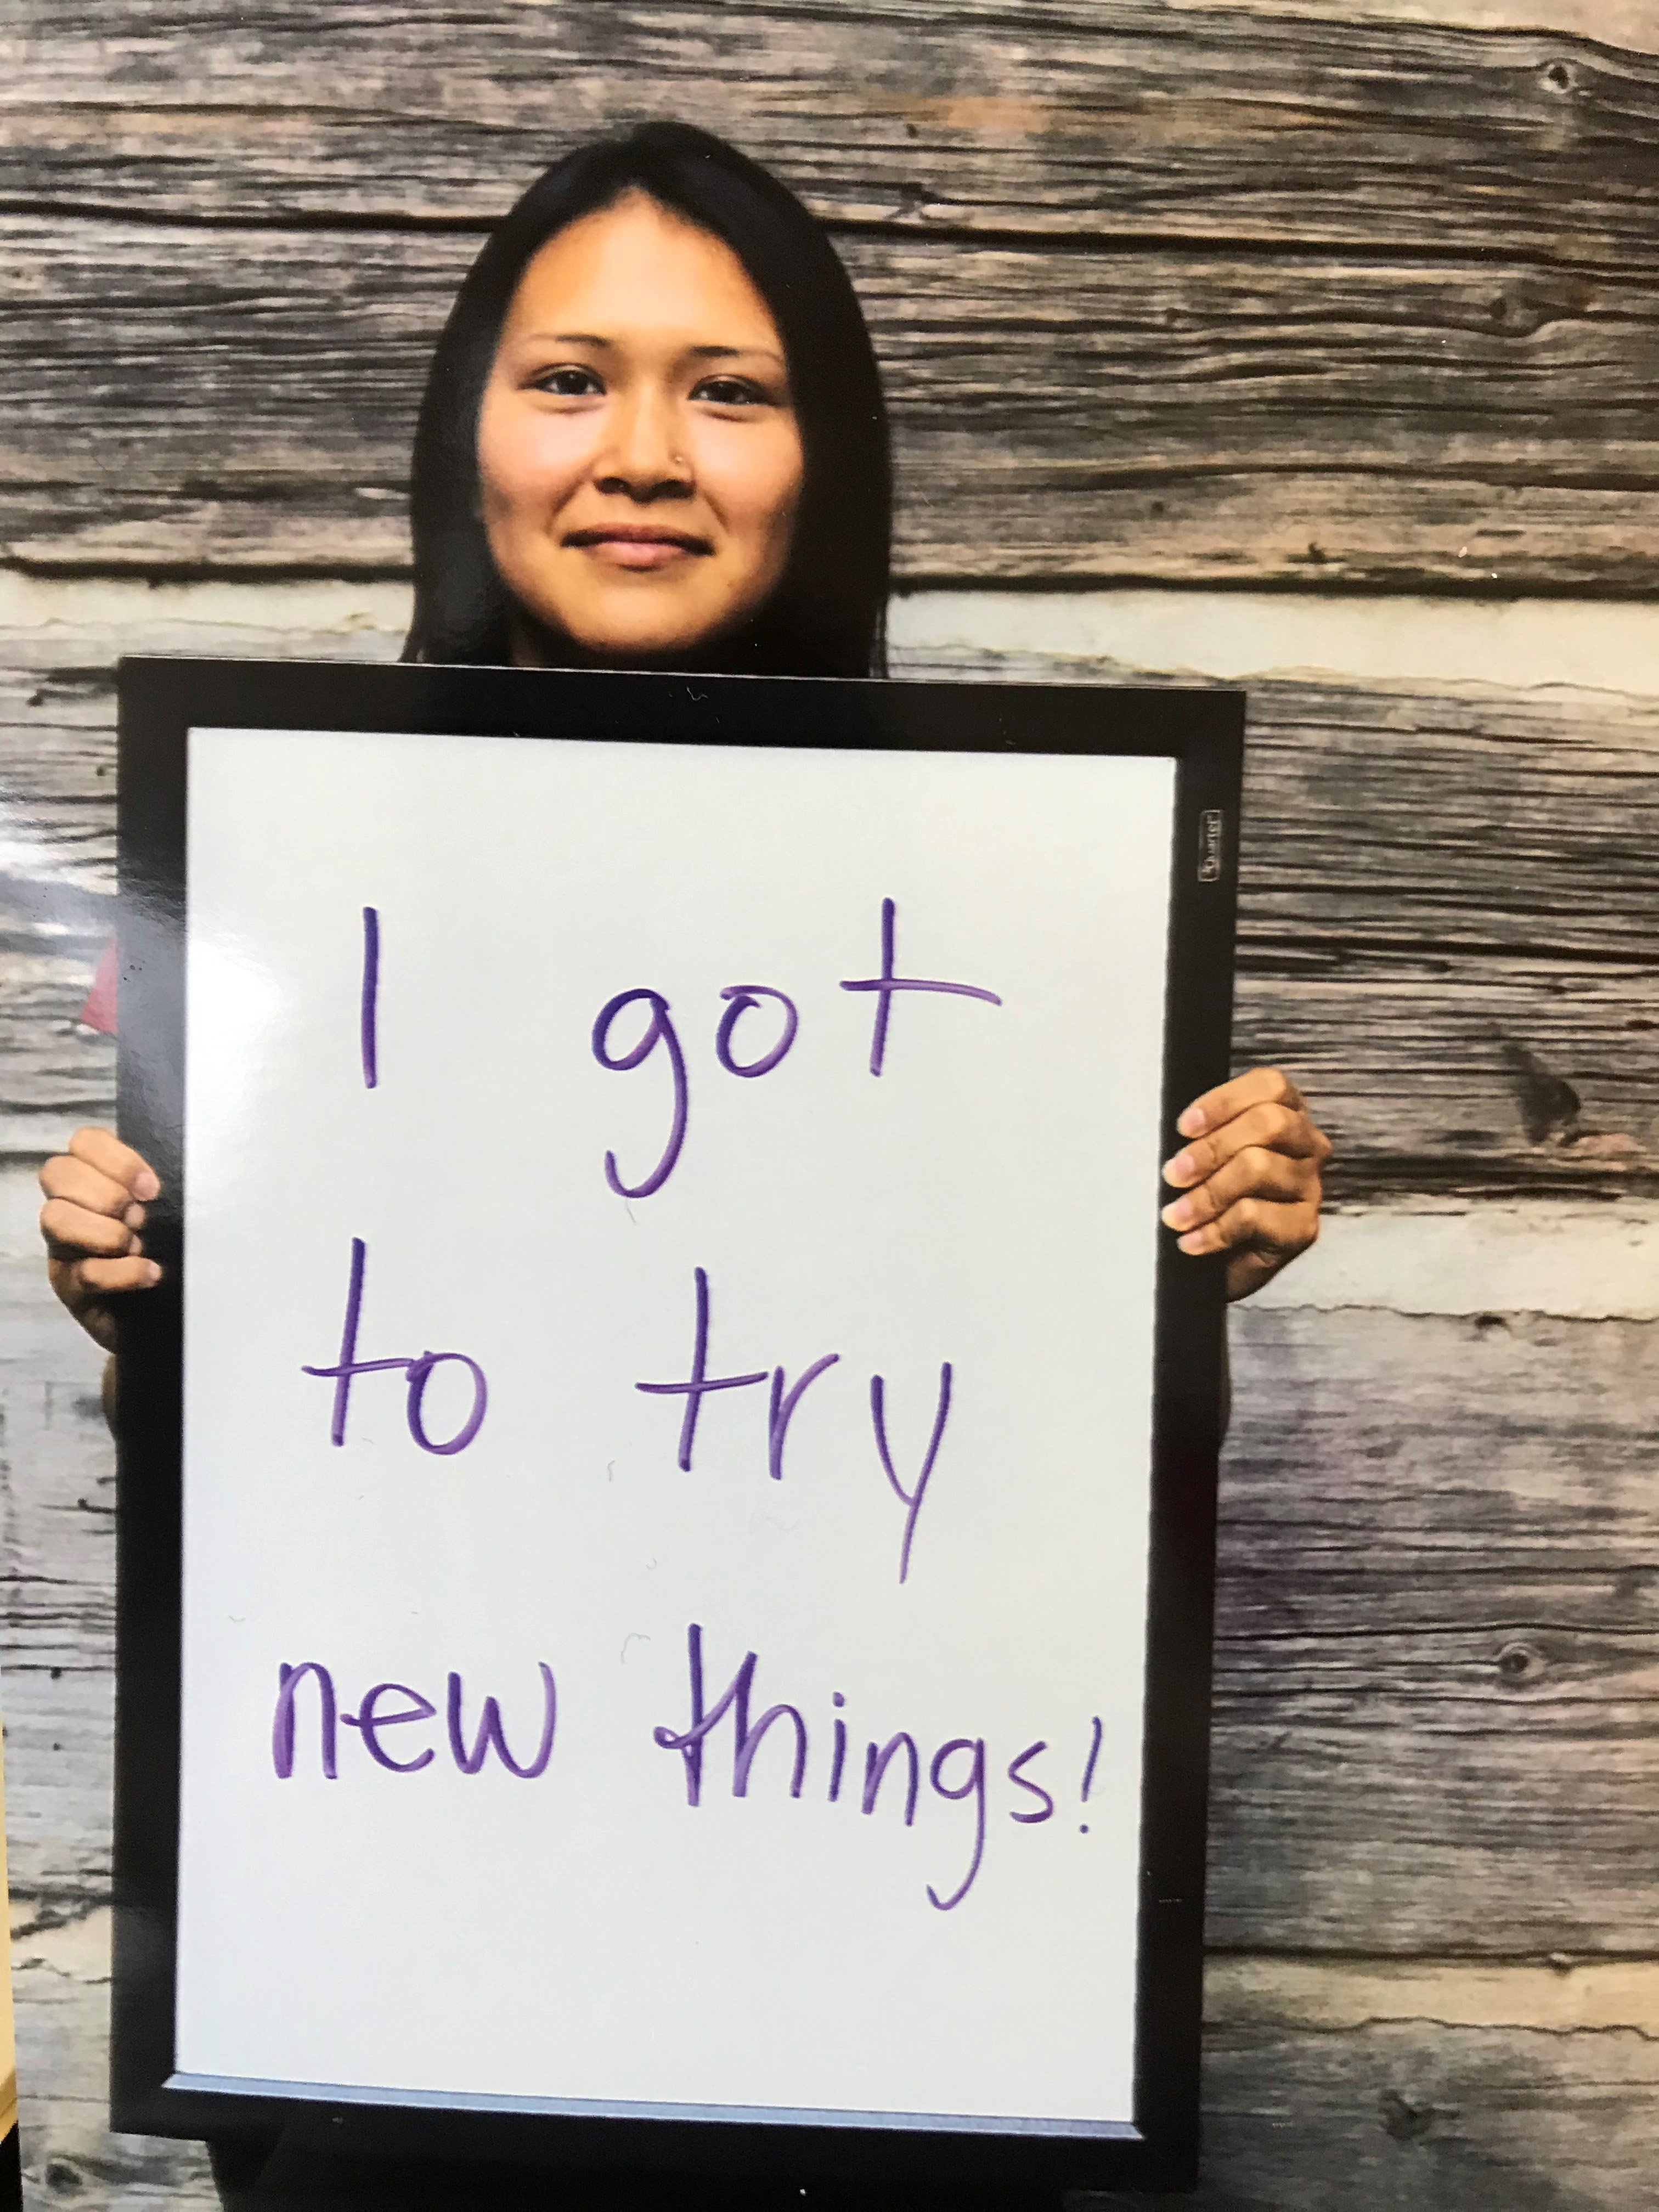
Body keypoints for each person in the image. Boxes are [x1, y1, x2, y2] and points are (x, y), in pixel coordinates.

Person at [36, 122, 1330, 2205]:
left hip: (875, 1987)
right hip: (397, 1989)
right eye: (571, 379)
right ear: (472, 438)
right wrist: (147, 1307)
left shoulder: (1016, 920)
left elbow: (985, 1482)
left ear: (827, 460)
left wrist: (1186, 1234)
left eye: (728, 389)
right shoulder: (293, 894)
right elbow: (334, 1478)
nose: (643, 451)